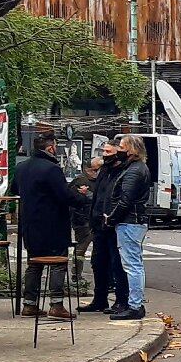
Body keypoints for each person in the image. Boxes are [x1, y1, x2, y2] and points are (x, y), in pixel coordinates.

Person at [10, 130, 78, 318]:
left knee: (34, 263)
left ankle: (29, 304)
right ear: (50, 147)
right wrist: (81, 197)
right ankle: (56, 304)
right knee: (58, 262)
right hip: (53, 224)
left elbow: (15, 189)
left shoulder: (22, 167)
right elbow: (64, 195)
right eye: (55, 146)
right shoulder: (51, 169)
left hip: (30, 223)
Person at [107, 134, 151, 320]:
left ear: (132, 150)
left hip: (129, 221)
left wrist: (111, 218)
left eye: (122, 148)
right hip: (132, 220)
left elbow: (126, 200)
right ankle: (135, 303)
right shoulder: (136, 168)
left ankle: (135, 305)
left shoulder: (134, 170)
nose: (119, 151)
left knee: (132, 265)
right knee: (133, 263)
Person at [81, 142, 123, 313]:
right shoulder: (104, 171)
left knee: (116, 262)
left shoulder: (121, 171)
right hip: (99, 223)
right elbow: (99, 195)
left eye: (108, 151)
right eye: (104, 151)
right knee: (98, 263)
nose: (104, 154)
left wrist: (111, 217)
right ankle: (100, 299)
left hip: (112, 223)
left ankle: (120, 301)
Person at [69, 154, 99, 296]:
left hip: (92, 218)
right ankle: (76, 275)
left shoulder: (97, 180)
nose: (97, 172)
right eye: (94, 170)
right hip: (83, 220)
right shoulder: (81, 180)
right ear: (87, 169)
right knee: (81, 247)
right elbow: (80, 199)